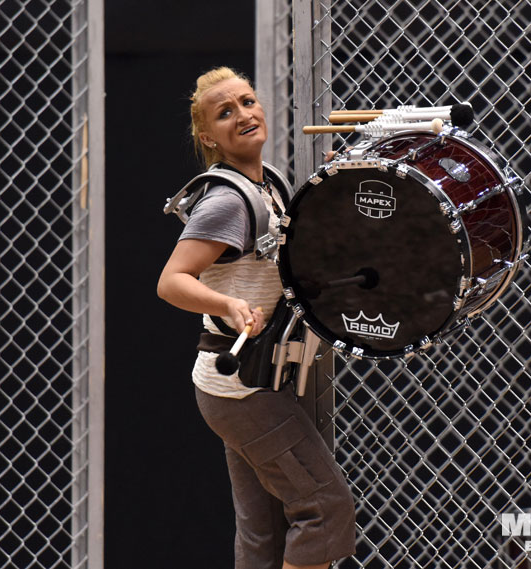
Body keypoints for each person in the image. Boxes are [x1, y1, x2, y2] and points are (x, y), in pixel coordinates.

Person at [157, 66, 356, 569]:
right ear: (209, 137)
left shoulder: (270, 183)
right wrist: (227, 305)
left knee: (263, 532)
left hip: (251, 383)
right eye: (226, 113)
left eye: (248, 102)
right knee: (324, 509)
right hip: (240, 384)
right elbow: (172, 281)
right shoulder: (227, 201)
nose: (243, 115)